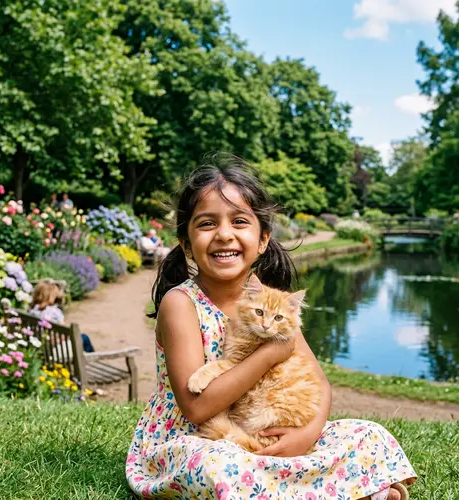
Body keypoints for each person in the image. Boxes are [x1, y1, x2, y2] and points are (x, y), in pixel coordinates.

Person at [126, 154, 416, 499]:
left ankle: (297, 481)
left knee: (369, 434)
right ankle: (343, 489)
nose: (223, 234)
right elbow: (197, 408)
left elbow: (320, 383)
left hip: (262, 431)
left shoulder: (274, 307)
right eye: (206, 224)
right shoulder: (181, 304)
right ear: (186, 243)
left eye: (239, 222)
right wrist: (269, 354)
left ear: (263, 239)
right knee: (217, 464)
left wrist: (306, 434)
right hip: (193, 439)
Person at [29, 280, 95, 353]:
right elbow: (65, 333)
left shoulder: (32, 311)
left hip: (42, 347)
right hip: (57, 349)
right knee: (84, 338)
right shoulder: (55, 312)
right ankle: (92, 358)